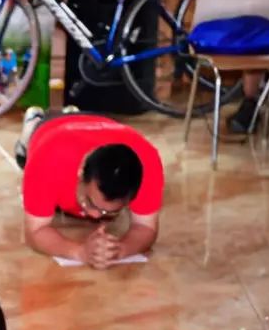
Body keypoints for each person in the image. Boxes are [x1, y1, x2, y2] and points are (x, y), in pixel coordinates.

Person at [14, 107, 164, 269]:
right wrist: (79, 252)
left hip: (107, 123)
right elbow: (34, 232)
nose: (95, 215)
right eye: (90, 202)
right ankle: (34, 121)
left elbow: (146, 227)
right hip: (51, 129)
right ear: (80, 172)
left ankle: (72, 111)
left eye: (109, 212)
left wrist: (120, 250)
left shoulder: (147, 163)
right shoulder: (47, 159)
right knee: (24, 155)